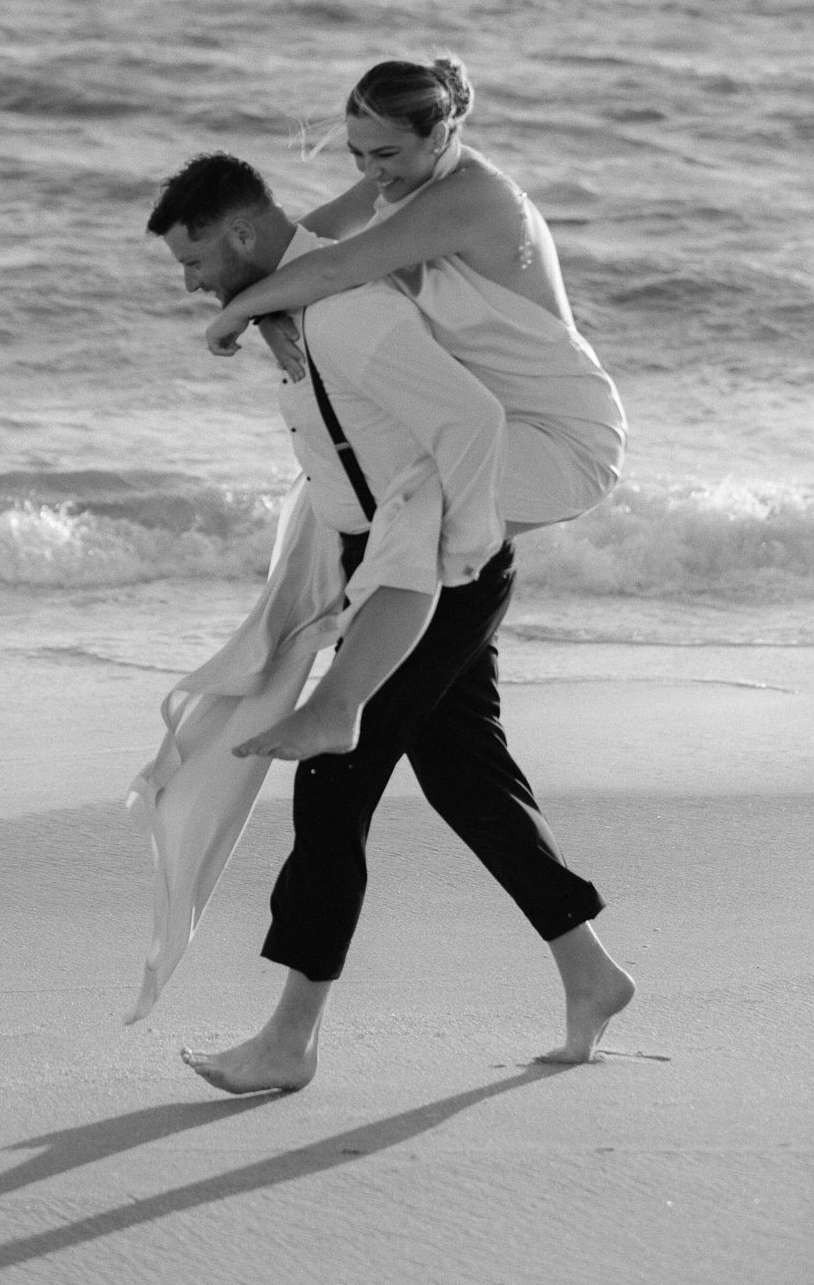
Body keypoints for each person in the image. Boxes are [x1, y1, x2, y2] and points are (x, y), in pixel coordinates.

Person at [145, 151, 634, 1095]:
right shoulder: (304, 304)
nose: (195, 284)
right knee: (465, 775)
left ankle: (291, 1040)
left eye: (194, 261)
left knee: (335, 780)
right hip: (415, 566)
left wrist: (433, 564)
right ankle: (591, 972)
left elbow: (471, 426)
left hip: (438, 568)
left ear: (241, 233)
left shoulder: (347, 316)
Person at [203, 55, 626, 544]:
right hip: (501, 424)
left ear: (441, 136)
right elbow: (302, 244)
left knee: (393, 510)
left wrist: (238, 311)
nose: (371, 172)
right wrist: (267, 308)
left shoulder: (470, 196)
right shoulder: (404, 177)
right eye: (357, 155)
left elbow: (336, 266)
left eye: (384, 154)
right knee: (344, 492)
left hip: (563, 439)